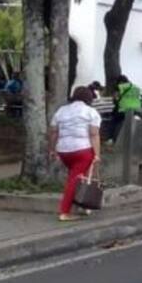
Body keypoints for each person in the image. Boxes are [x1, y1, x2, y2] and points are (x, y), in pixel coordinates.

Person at [49, 86, 101, 223]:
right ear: (89, 98)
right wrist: (97, 154)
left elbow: (54, 132)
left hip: (64, 150)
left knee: (77, 177)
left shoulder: (61, 110)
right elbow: (94, 134)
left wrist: (52, 149)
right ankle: (64, 212)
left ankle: (82, 205)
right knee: (74, 180)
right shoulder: (91, 112)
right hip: (82, 150)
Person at [110, 74, 142, 143]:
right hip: (136, 110)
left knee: (114, 120)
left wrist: (115, 99)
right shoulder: (136, 87)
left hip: (124, 110)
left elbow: (115, 98)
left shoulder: (120, 87)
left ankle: (114, 139)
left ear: (120, 82)